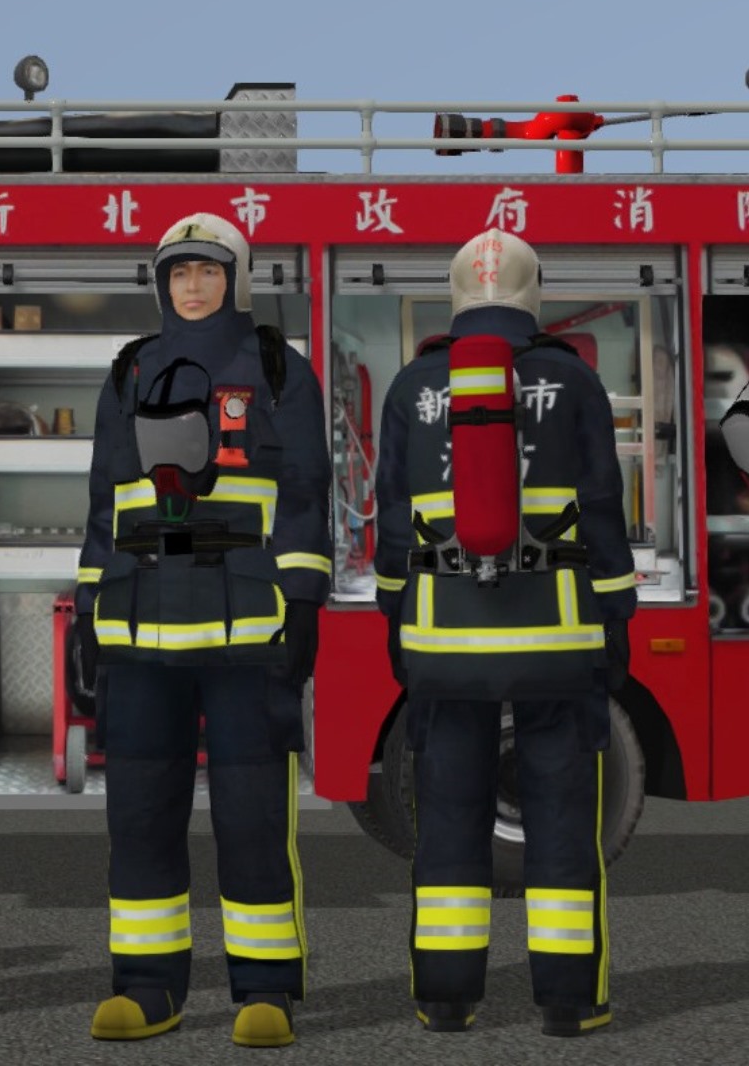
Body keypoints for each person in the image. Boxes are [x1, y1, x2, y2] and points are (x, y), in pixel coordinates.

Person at [73, 213, 332, 1048]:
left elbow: (303, 496)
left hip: (247, 631)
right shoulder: (129, 371)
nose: (192, 285)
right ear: (160, 282)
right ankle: (148, 986)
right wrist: (89, 615)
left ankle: (263, 991)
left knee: (253, 818)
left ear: (236, 277)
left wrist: (301, 602)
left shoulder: (277, 371)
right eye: (179, 271)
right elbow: (104, 505)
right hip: (143, 633)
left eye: (209, 271)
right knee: (141, 816)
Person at [373, 229, 634, 1037]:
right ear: (534, 294)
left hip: (445, 649)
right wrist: (612, 625)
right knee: (562, 823)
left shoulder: (415, 385)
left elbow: (389, 524)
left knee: (448, 821)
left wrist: (400, 628)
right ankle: (568, 1001)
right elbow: (601, 512)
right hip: (555, 647)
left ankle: (446, 998)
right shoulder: (572, 381)